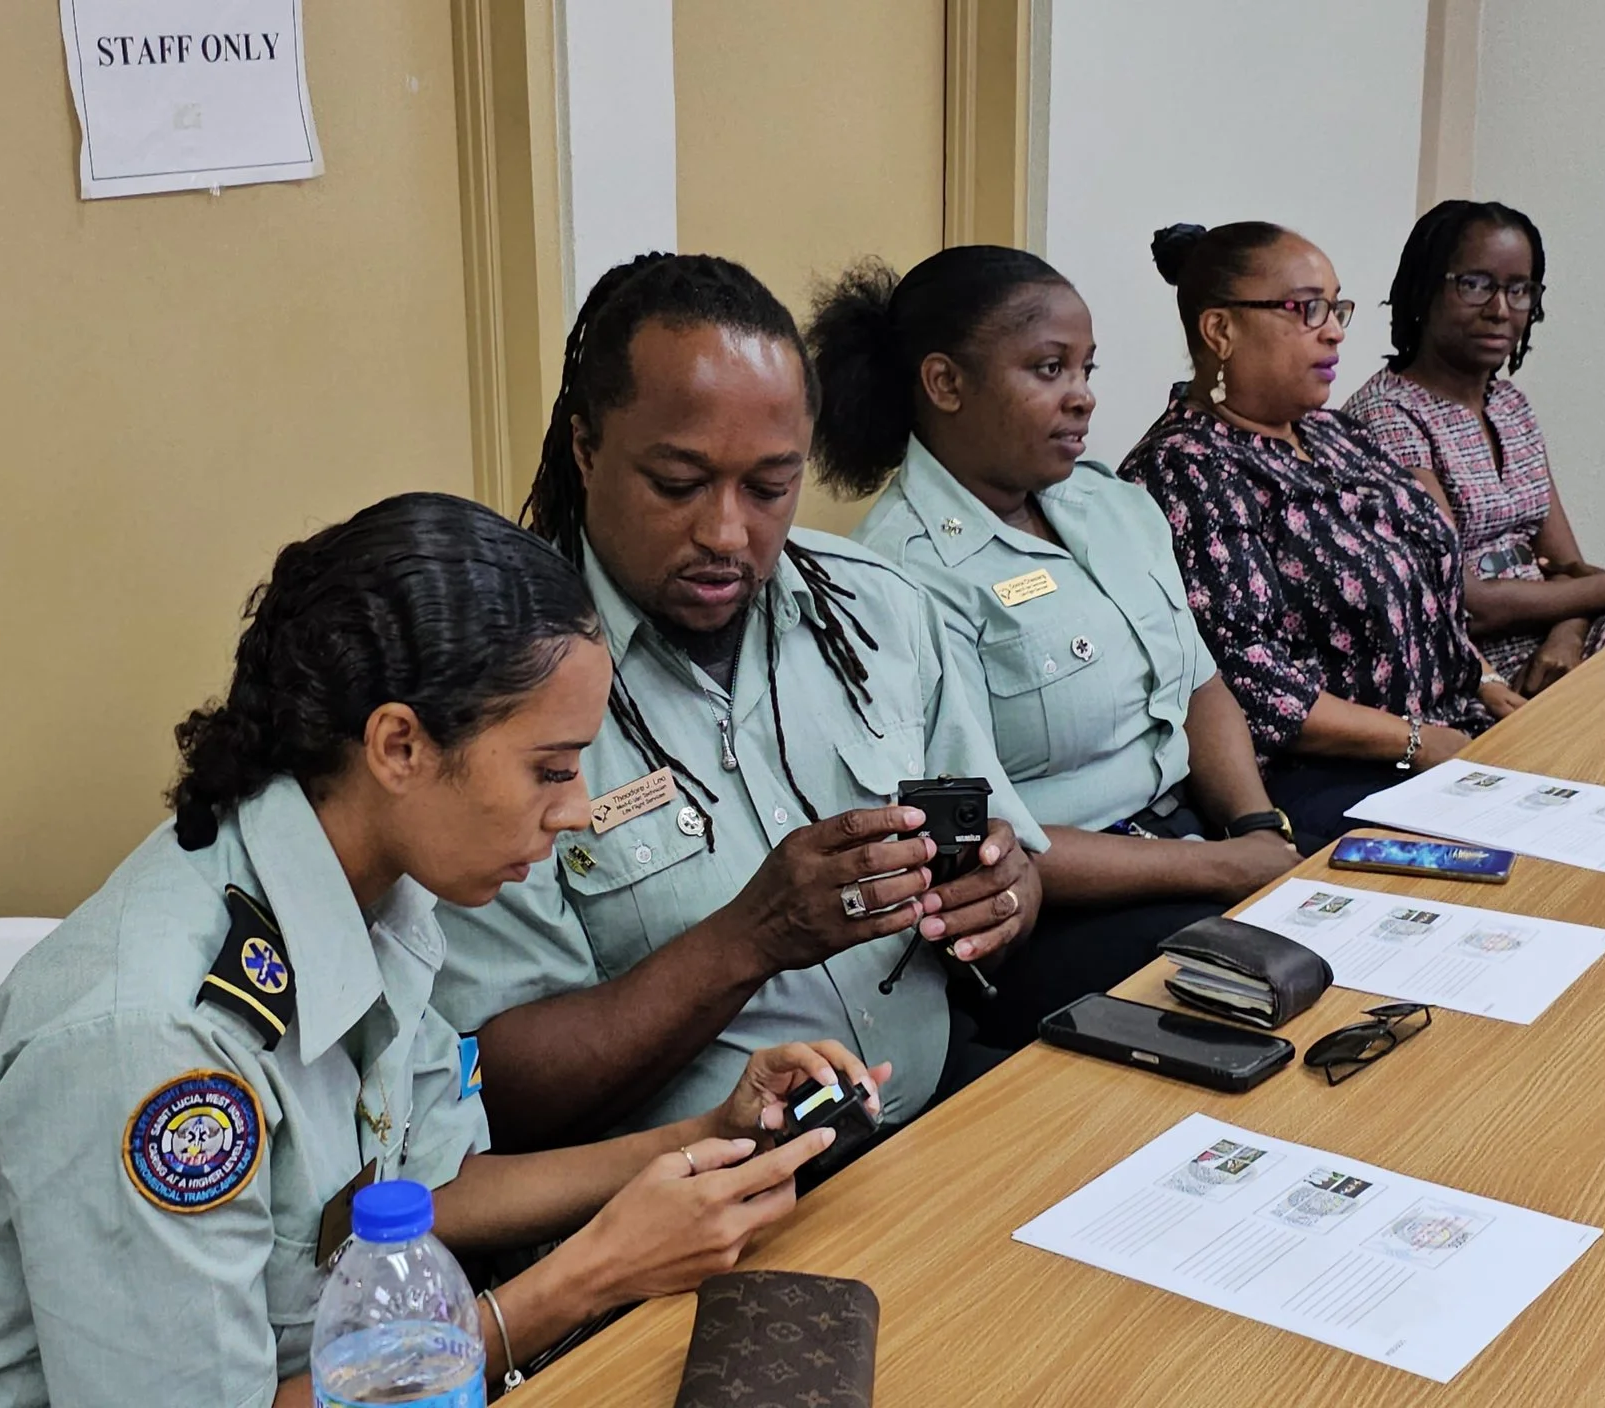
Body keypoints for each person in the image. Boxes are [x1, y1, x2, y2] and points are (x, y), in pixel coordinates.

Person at [0, 493, 886, 1408]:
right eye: (549, 769)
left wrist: (698, 1137)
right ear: (400, 746)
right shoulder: (154, 1041)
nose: (576, 811)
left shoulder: (368, 885)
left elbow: (415, 1189)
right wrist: (586, 1275)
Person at [432, 253, 1045, 1156]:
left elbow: (1019, 861)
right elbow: (493, 1087)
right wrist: (749, 940)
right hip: (699, 1192)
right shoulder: (497, 693)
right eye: (677, 484)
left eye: (770, 487)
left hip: (937, 1116)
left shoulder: (878, 607)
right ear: (585, 446)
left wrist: (1002, 897)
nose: (727, 534)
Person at [809, 246, 1300, 1045]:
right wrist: (1226, 868)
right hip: (1060, 911)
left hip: (1208, 846)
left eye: (1086, 370)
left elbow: (1201, 685)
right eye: (1048, 370)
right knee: (1262, 1019)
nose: (1082, 399)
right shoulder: (897, 578)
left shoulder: (1115, 505)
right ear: (946, 384)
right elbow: (988, 834)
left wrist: (1254, 826)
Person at [1118, 221, 1525, 848]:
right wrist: (1417, 742)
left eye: (1337, 308)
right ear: (1220, 330)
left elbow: (1426, 580)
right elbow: (1249, 678)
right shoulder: (1185, 468)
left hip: (1445, 733)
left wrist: (1485, 680)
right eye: (1308, 309)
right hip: (1323, 775)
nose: (1333, 329)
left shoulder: (1334, 433)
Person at [1345, 200, 1605, 696]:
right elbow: (1463, 602)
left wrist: (1567, 636)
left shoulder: (1511, 405)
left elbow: (1570, 566)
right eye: (1475, 285)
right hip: (1470, 671)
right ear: (1424, 289)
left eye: (1518, 289)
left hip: (1550, 646)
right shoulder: (1387, 415)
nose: (1500, 309)